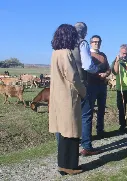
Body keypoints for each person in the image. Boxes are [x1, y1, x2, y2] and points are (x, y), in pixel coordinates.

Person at [49, 24, 86, 175]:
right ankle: (70, 166)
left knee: (64, 132)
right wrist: (83, 91)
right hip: (68, 97)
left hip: (58, 96)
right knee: (71, 131)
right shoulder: (66, 53)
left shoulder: (55, 53)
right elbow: (72, 76)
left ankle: (63, 165)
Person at [80, 35, 111, 156]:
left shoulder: (103, 55)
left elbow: (108, 68)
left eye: (98, 42)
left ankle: (100, 131)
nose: (96, 44)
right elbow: (87, 69)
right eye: (94, 42)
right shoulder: (87, 54)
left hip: (102, 86)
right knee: (88, 113)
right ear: (90, 43)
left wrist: (106, 73)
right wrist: (98, 75)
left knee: (102, 109)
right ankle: (86, 140)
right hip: (91, 86)